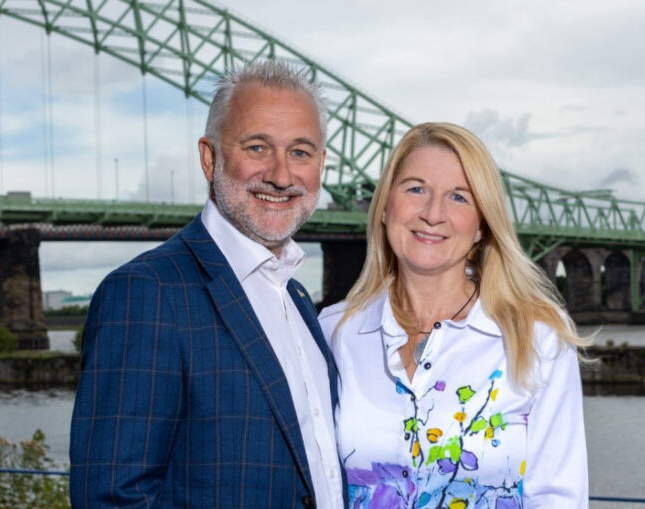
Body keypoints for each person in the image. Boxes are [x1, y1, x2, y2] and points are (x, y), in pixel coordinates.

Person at [70, 61, 344, 509]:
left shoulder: (295, 296)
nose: (281, 175)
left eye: (301, 152)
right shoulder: (148, 294)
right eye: (257, 147)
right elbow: (112, 499)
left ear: (321, 164)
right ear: (209, 157)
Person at [319, 122, 589, 508]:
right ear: (384, 207)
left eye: (459, 197)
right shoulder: (335, 332)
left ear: (482, 225)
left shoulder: (537, 338)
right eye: (415, 189)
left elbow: (559, 497)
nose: (433, 213)